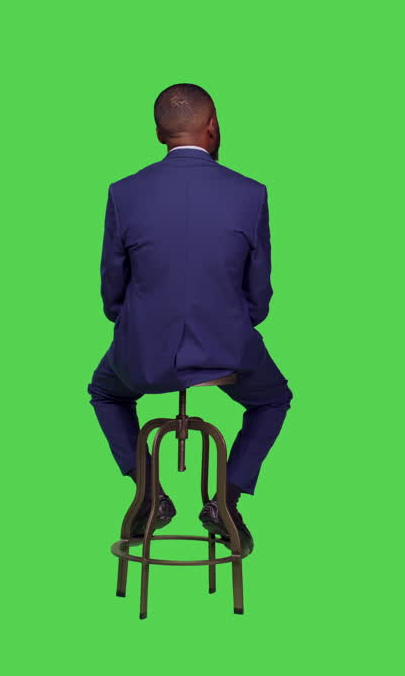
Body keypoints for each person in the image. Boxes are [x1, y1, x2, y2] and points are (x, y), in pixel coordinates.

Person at [87, 83, 292, 552]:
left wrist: (137, 328)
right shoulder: (251, 193)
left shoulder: (123, 193)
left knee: (105, 391)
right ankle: (227, 499)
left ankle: (149, 494)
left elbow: (111, 291)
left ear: (159, 132)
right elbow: (259, 294)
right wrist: (235, 326)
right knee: (272, 400)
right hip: (228, 352)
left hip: (143, 352)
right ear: (214, 125)